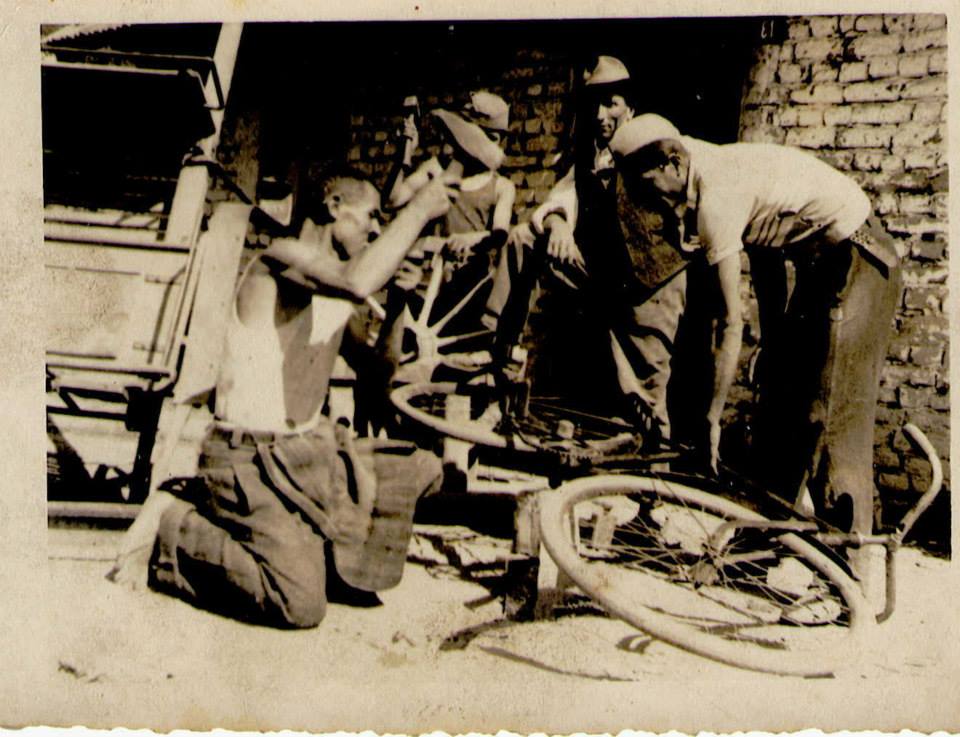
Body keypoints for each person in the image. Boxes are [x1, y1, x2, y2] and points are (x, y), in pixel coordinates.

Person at [108, 163, 459, 628]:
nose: (376, 229)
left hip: (305, 451)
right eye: (372, 216)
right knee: (299, 603)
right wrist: (418, 211)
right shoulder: (280, 258)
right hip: (247, 459)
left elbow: (377, 377)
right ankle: (173, 526)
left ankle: (309, 544)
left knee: (422, 470)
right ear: (334, 206)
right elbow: (358, 280)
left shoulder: (334, 286)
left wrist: (398, 303)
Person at [609, 115, 901, 534]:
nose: (648, 200)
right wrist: (775, 341)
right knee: (781, 397)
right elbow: (767, 254)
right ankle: (767, 534)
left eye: (647, 184)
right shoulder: (693, 162)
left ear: (673, 163)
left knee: (828, 411)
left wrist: (712, 418)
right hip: (819, 264)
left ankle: (848, 553)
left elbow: (732, 321)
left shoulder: (715, 195)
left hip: (859, 261)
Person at [499, 56, 688, 442]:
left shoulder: (655, 140)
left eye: (611, 104)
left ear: (630, 106)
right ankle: (498, 348)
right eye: (595, 106)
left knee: (647, 392)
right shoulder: (589, 155)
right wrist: (558, 223)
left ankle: (655, 469)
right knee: (523, 239)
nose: (601, 116)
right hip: (608, 276)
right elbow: (561, 196)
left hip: (653, 280)